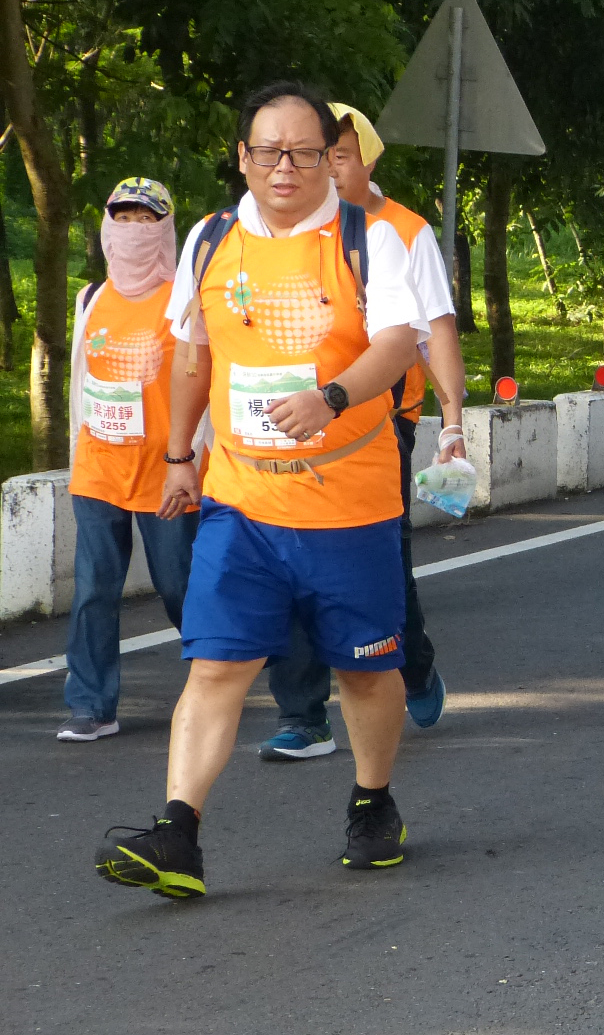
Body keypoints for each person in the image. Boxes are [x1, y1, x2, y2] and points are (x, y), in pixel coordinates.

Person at [93, 83, 433, 899]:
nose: (286, 167)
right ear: (243, 157)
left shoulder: (367, 240)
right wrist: (179, 456)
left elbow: (395, 343)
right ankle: (179, 830)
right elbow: (190, 357)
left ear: (329, 157)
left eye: (305, 152)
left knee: (364, 675)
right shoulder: (212, 241)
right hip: (241, 506)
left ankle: (373, 799)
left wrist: (333, 398)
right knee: (215, 667)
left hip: (350, 506)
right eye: (268, 151)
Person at [254, 103, 465, 761]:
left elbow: (437, 332)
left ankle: (415, 665)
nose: (326, 167)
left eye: (339, 155)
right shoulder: (275, 229)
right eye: (320, 153)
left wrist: (453, 419)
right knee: (281, 564)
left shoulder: (403, 233)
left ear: (366, 161)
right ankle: (301, 712)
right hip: (280, 428)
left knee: (379, 566)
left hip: (376, 427)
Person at [59, 178, 199, 743]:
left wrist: (192, 456)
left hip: (164, 469)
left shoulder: (183, 302)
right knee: (93, 587)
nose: (134, 230)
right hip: (98, 468)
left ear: (165, 228)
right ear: (107, 228)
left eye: (147, 219)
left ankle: (217, 677)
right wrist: (75, 453)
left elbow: (200, 381)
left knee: (180, 586)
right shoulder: (90, 299)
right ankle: (91, 703)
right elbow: (79, 383)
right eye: (124, 218)